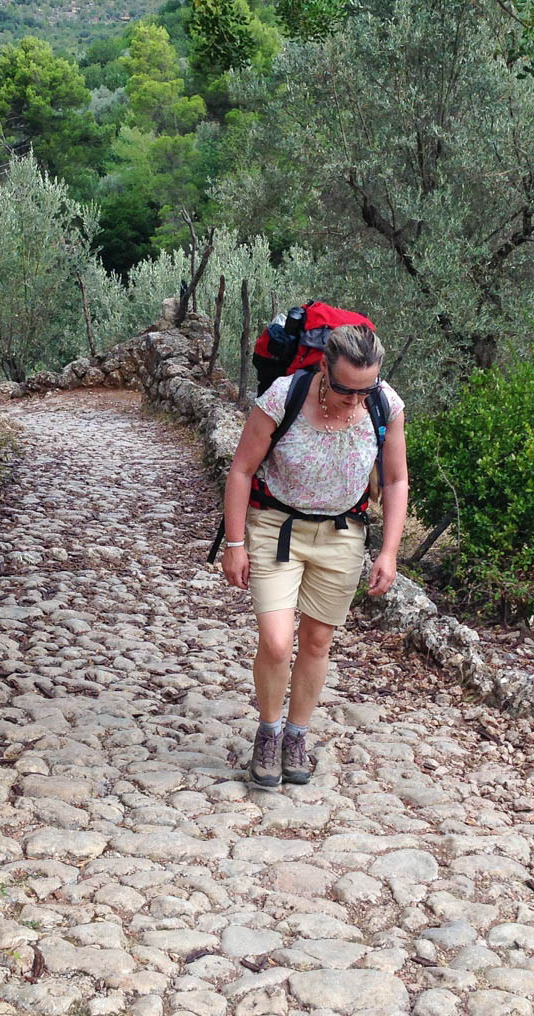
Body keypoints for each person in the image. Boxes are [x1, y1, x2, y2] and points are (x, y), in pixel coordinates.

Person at [219, 322, 409, 789]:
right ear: (325, 367)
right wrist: (235, 542)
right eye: (347, 390)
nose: (357, 401)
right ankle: (268, 732)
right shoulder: (283, 398)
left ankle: (297, 736)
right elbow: (242, 469)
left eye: (367, 390)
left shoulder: (386, 405)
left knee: (319, 642)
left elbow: (397, 480)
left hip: (343, 535)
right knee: (279, 641)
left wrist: (389, 551)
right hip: (276, 528)